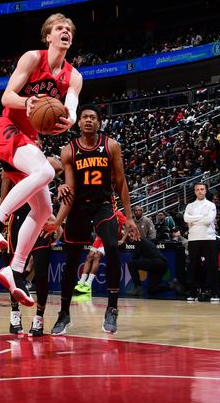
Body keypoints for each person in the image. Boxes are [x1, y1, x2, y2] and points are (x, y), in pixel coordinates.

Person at [0, 13, 83, 307]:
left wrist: (69, 120)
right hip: (7, 130)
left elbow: (71, 107)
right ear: (48, 36)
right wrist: (27, 102)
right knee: (47, 172)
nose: (65, 32)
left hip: (27, 143)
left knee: (43, 208)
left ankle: (16, 269)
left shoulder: (74, 76)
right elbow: (6, 97)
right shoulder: (32, 59)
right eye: (59, 28)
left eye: (68, 29)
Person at [49, 105, 139, 335]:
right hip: (78, 207)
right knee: (71, 260)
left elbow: (120, 182)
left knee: (111, 247)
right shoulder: (68, 151)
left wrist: (129, 217)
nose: (89, 120)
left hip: (103, 205)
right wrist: (58, 221)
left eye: (93, 117)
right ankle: (64, 313)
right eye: (85, 117)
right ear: (78, 123)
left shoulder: (111, 145)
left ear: (99, 123)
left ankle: (112, 308)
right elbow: (70, 190)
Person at [1, 157, 62, 336]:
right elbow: (4, 198)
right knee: (14, 272)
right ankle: (15, 313)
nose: (34, 141)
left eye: (37, 140)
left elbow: (62, 169)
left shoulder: (44, 161)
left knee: (42, 272)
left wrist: (57, 221)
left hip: (40, 219)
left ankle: (39, 317)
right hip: (16, 221)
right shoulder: (10, 164)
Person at [184, 182, 219, 302]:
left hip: (208, 238)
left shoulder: (211, 205)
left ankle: (214, 292)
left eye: (202, 189)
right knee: (193, 266)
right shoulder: (190, 206)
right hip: (193, 238)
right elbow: (186, 219)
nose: (200, 191)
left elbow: (209, 220)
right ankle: (193, 293)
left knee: (212, 266)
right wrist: (201, 217)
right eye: (197, 189)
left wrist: (193, 220)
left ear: (205, 190)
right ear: (194, 191)